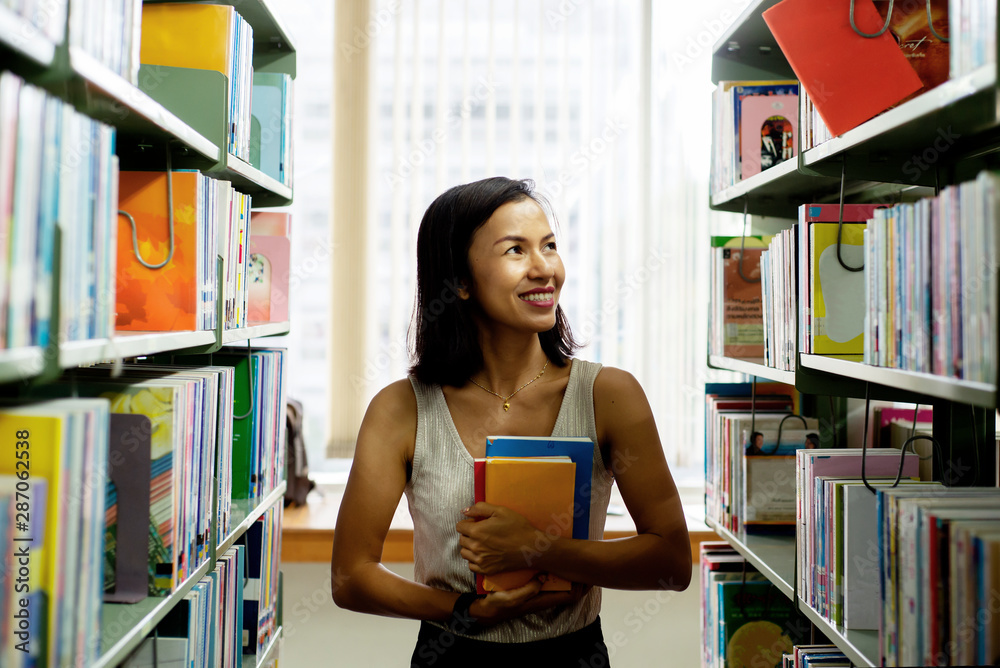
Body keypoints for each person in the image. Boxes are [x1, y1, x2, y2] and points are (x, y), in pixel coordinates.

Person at [331, 177, 691, 667]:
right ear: (459, 280)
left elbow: (671, 562)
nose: (545, 269)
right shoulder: (401, 409)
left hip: (574, 654)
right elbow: (350, 577)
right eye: (515, 250)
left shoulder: (609, 395)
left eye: (549, 247)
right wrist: (464, 611)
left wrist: (536, 550)